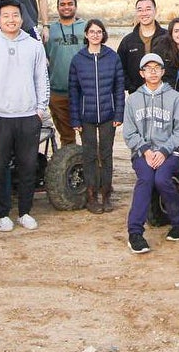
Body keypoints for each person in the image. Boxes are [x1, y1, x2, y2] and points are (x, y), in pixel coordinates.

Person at [0, 0, 50, 232]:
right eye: (6, 16)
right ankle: (2, 214)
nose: (11, 20)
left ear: (22, 18)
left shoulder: (34, 46)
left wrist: (39, 109)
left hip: (28, 116)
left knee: (27, 166)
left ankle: (25, 212)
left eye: (15, 15)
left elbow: (41, 79)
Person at [123, 53, 179, 254]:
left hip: (168, 153)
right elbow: (129, 132)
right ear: (142, 73)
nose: (153, 72)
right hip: (142, 153)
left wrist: (163, 150)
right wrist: (145, 150)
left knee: (161, 179)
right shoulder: (133, 99)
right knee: (146, 179)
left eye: (157, 68)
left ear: (162, 72)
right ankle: (135, 233)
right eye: (148, 68)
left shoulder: (174, 97)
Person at [68, 19, 124, 214]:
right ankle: (91, 196)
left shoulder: (112, 57)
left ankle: (106, 194)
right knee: (89, 155)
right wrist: (75, 119)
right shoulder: (78, 59)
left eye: (99, 31)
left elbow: (119, 88)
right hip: (86, 116)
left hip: (109, 115)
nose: (95, 35)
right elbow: (73, 91)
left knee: (106, 155)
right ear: (86, 34)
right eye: (91, 31)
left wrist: (119, 113)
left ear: (103, 34)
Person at [46, 0, 85, 147]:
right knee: (66, 137)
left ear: (75, 6)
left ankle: (94, 169)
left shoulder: (86, 27)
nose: (66, 7)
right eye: (62, 4)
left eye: (70, 4)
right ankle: (69, 168)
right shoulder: (49, 31)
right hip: (58, 92)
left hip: (83, 91)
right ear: (57, 8)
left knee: (88, 135)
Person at [117, 0, 169, 94]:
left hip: (164, 94)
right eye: (140, 10)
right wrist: (130, 86)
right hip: (137, 94)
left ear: (155, 11)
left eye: (148, 9)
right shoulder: (128, 41)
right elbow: (119, 68)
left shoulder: (167, 37)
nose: (144, 13)